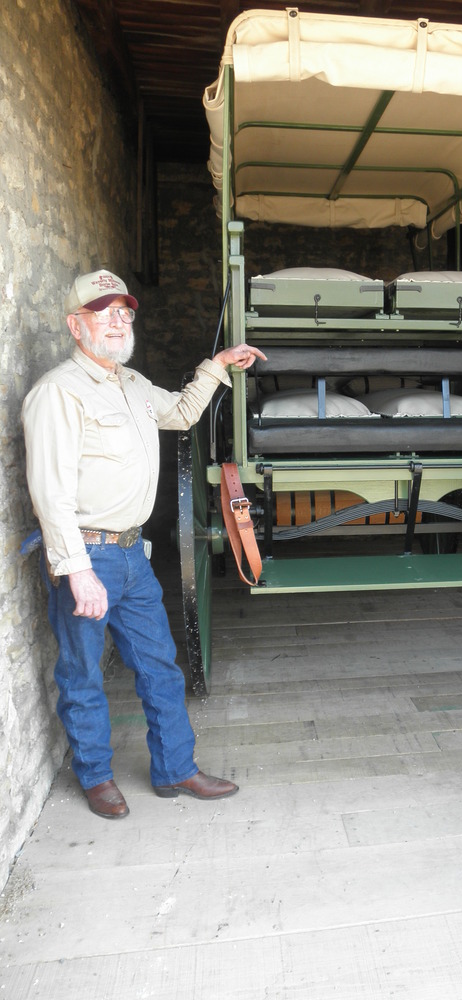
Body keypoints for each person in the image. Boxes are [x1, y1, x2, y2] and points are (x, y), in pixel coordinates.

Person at [22, 268, 267, 819]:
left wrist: (217, 367)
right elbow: (50, 493)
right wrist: (75, 569)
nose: (117, 320)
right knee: (81, 673)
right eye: (103, 311)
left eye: (124, 312)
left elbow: (180, 413)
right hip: (87, 555)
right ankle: (96, 776)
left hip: (132, 555)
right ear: (75, 324)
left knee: (160, 666)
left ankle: (176, 768)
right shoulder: (57, 392)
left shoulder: (131, 384)